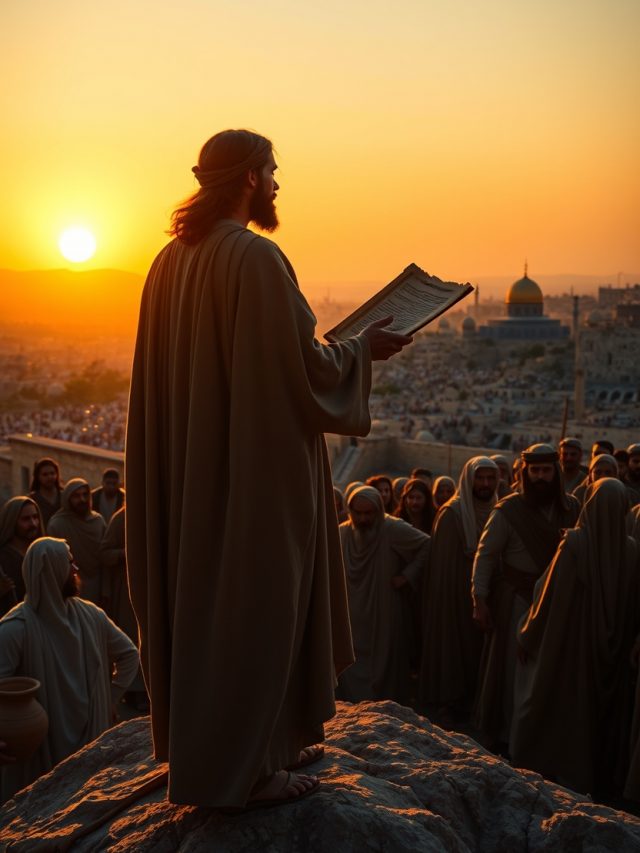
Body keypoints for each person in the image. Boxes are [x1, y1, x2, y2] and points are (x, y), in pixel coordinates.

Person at [125, 129, 412, 809]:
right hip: (247, 479)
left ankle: (265, 740)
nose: (279, 182)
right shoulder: (255, 257)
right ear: (249, 178)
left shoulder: (169, 260)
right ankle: (247, 773)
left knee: (213, 609)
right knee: (257, 606)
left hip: (200, 475)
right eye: (273, 170)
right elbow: (302, 369)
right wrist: (363, 351)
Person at [511, 479, 638, 797]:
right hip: (613, 654)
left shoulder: (575, 545)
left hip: (571, 648)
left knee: (555, 707)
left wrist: (528, 634)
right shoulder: (633, 550)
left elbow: (549, 598)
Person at [0, 537, 139, 805]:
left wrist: (108, 697)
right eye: (69, 562)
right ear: (49, 569)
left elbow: (129, 654)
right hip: (39, 757)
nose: (76, 569)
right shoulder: (15, 629)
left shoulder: (91, 615)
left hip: (90, 751)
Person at [471, 444, 580, 748]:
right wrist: (479, 600)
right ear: (525, 472)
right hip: (518, 599)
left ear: (556, 472)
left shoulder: (572, 509)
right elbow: (486, 556)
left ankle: (545, 740)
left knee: (553, 671)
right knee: (513, 673)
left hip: (558, 604)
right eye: (535, 471)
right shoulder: (509, 511)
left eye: (546, 470)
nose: (541, 477)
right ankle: (511, 738)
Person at [419, 457, 498, 720]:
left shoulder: (499, 510)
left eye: (490, 478)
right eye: (480, 478)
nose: (485, 484)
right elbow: (442, 569)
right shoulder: (451, 514)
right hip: (454, 597)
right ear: (468, 479)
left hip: (489, 594)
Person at [336, 485, 429, 705]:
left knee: (385, 662)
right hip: (351, 611)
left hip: (384, 607)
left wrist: (406, 576)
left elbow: (428, 544)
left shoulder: (393, 529)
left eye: (369, 513)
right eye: (358, 513)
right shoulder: (341, 533)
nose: (363, 518)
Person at [47, 479, 107, 604]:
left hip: (98, 584)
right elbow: (55, 561)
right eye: (76, 496)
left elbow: (105, 556)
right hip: (69, 586)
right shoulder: (57, 524)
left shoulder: (98, 521)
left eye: (85, 494)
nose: (82, 499)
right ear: (67, 498)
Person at [0, 497, 43, 616]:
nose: (33, 524)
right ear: (12, 521)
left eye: (35, 517)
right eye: (26, 519)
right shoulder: (3, 557)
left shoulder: (43, 552)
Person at [29, 458, 63, 529]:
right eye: (45, 474)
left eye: (52, 473)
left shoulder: (64, 496)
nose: (50, 477)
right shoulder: (32, 500)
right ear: (38, 477)